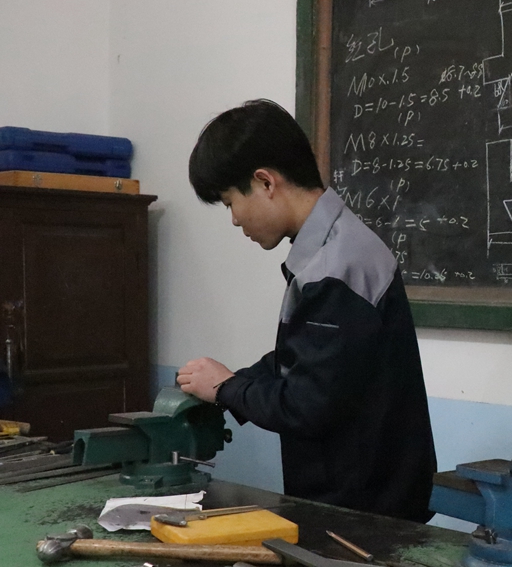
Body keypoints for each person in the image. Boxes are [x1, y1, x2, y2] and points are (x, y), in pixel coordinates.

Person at [177, 99, 436, 523]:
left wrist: (226, 388)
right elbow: (307, 361)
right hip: (360, 496)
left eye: (229, 202)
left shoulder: (336, 267)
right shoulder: (330, 251)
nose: (235, 220)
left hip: (367, 514)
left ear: (265, 182)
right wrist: (232, 383)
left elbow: (307, 404)